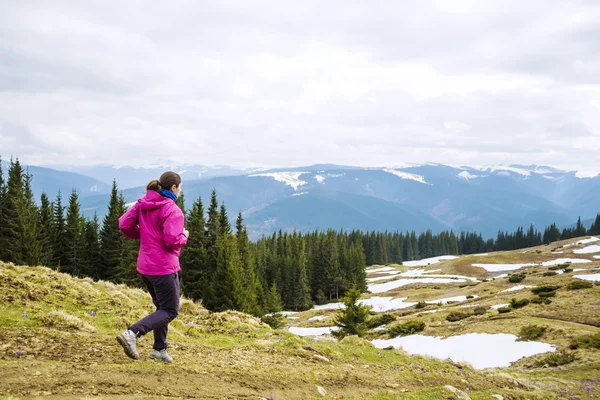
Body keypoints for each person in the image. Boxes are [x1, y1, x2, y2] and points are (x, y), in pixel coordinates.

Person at [116, 171, 189, 363]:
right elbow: (172, 239)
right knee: (170, 310)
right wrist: (185, 236)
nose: (180, 190)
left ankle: (159, 349)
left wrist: (143, 235)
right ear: (174, 188)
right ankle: (132, 334)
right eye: (180, 187)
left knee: (161, 308)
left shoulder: (143, 204)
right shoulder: (172, 210)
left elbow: (124, 224)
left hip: (145, 266)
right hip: (164, 267)